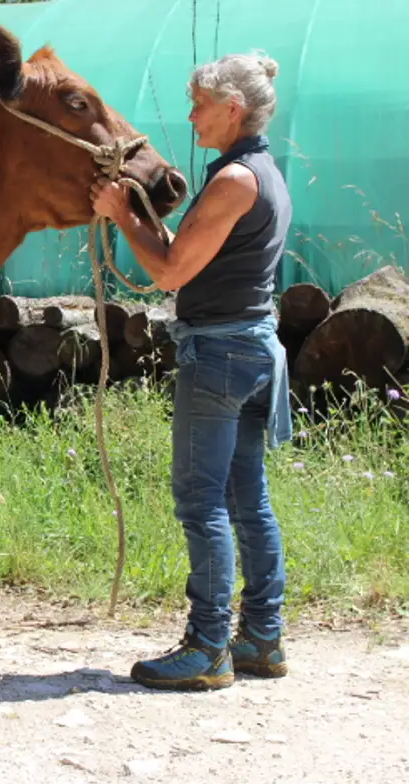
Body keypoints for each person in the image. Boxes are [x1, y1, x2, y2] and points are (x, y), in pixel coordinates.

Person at [90, 51, 293, 691]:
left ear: (233, 109)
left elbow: (173, 271)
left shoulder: (235, 179)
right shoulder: (264, 172)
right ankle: (261, 637)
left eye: (200, 105)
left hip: (221, 354)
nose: (191, 115)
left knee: (201, 501)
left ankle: (208, 647)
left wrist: (121, 215)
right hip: (254, 349)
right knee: (247, 500)